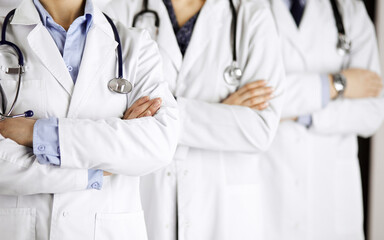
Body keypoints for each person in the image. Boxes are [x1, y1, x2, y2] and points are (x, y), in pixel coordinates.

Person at [97, 0, 285, 239]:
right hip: (144, 200)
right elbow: (102, 112)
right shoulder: (121, 10)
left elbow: (260, 129)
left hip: (222, 210)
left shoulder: (252, 15)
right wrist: (221, 113)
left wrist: (150, 118)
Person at [0, 0, 179, 239]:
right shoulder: (6, 38)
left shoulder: (135, 45)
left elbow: (158, 144)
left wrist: (39, 134)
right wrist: (94, 172)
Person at [257, 0, 384, 239]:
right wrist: (336, 84)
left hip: (331, 204)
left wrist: (302, 114)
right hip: (268, 193)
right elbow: (248, 97)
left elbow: (371, 112)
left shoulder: (349, 11)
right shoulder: (246, 8)